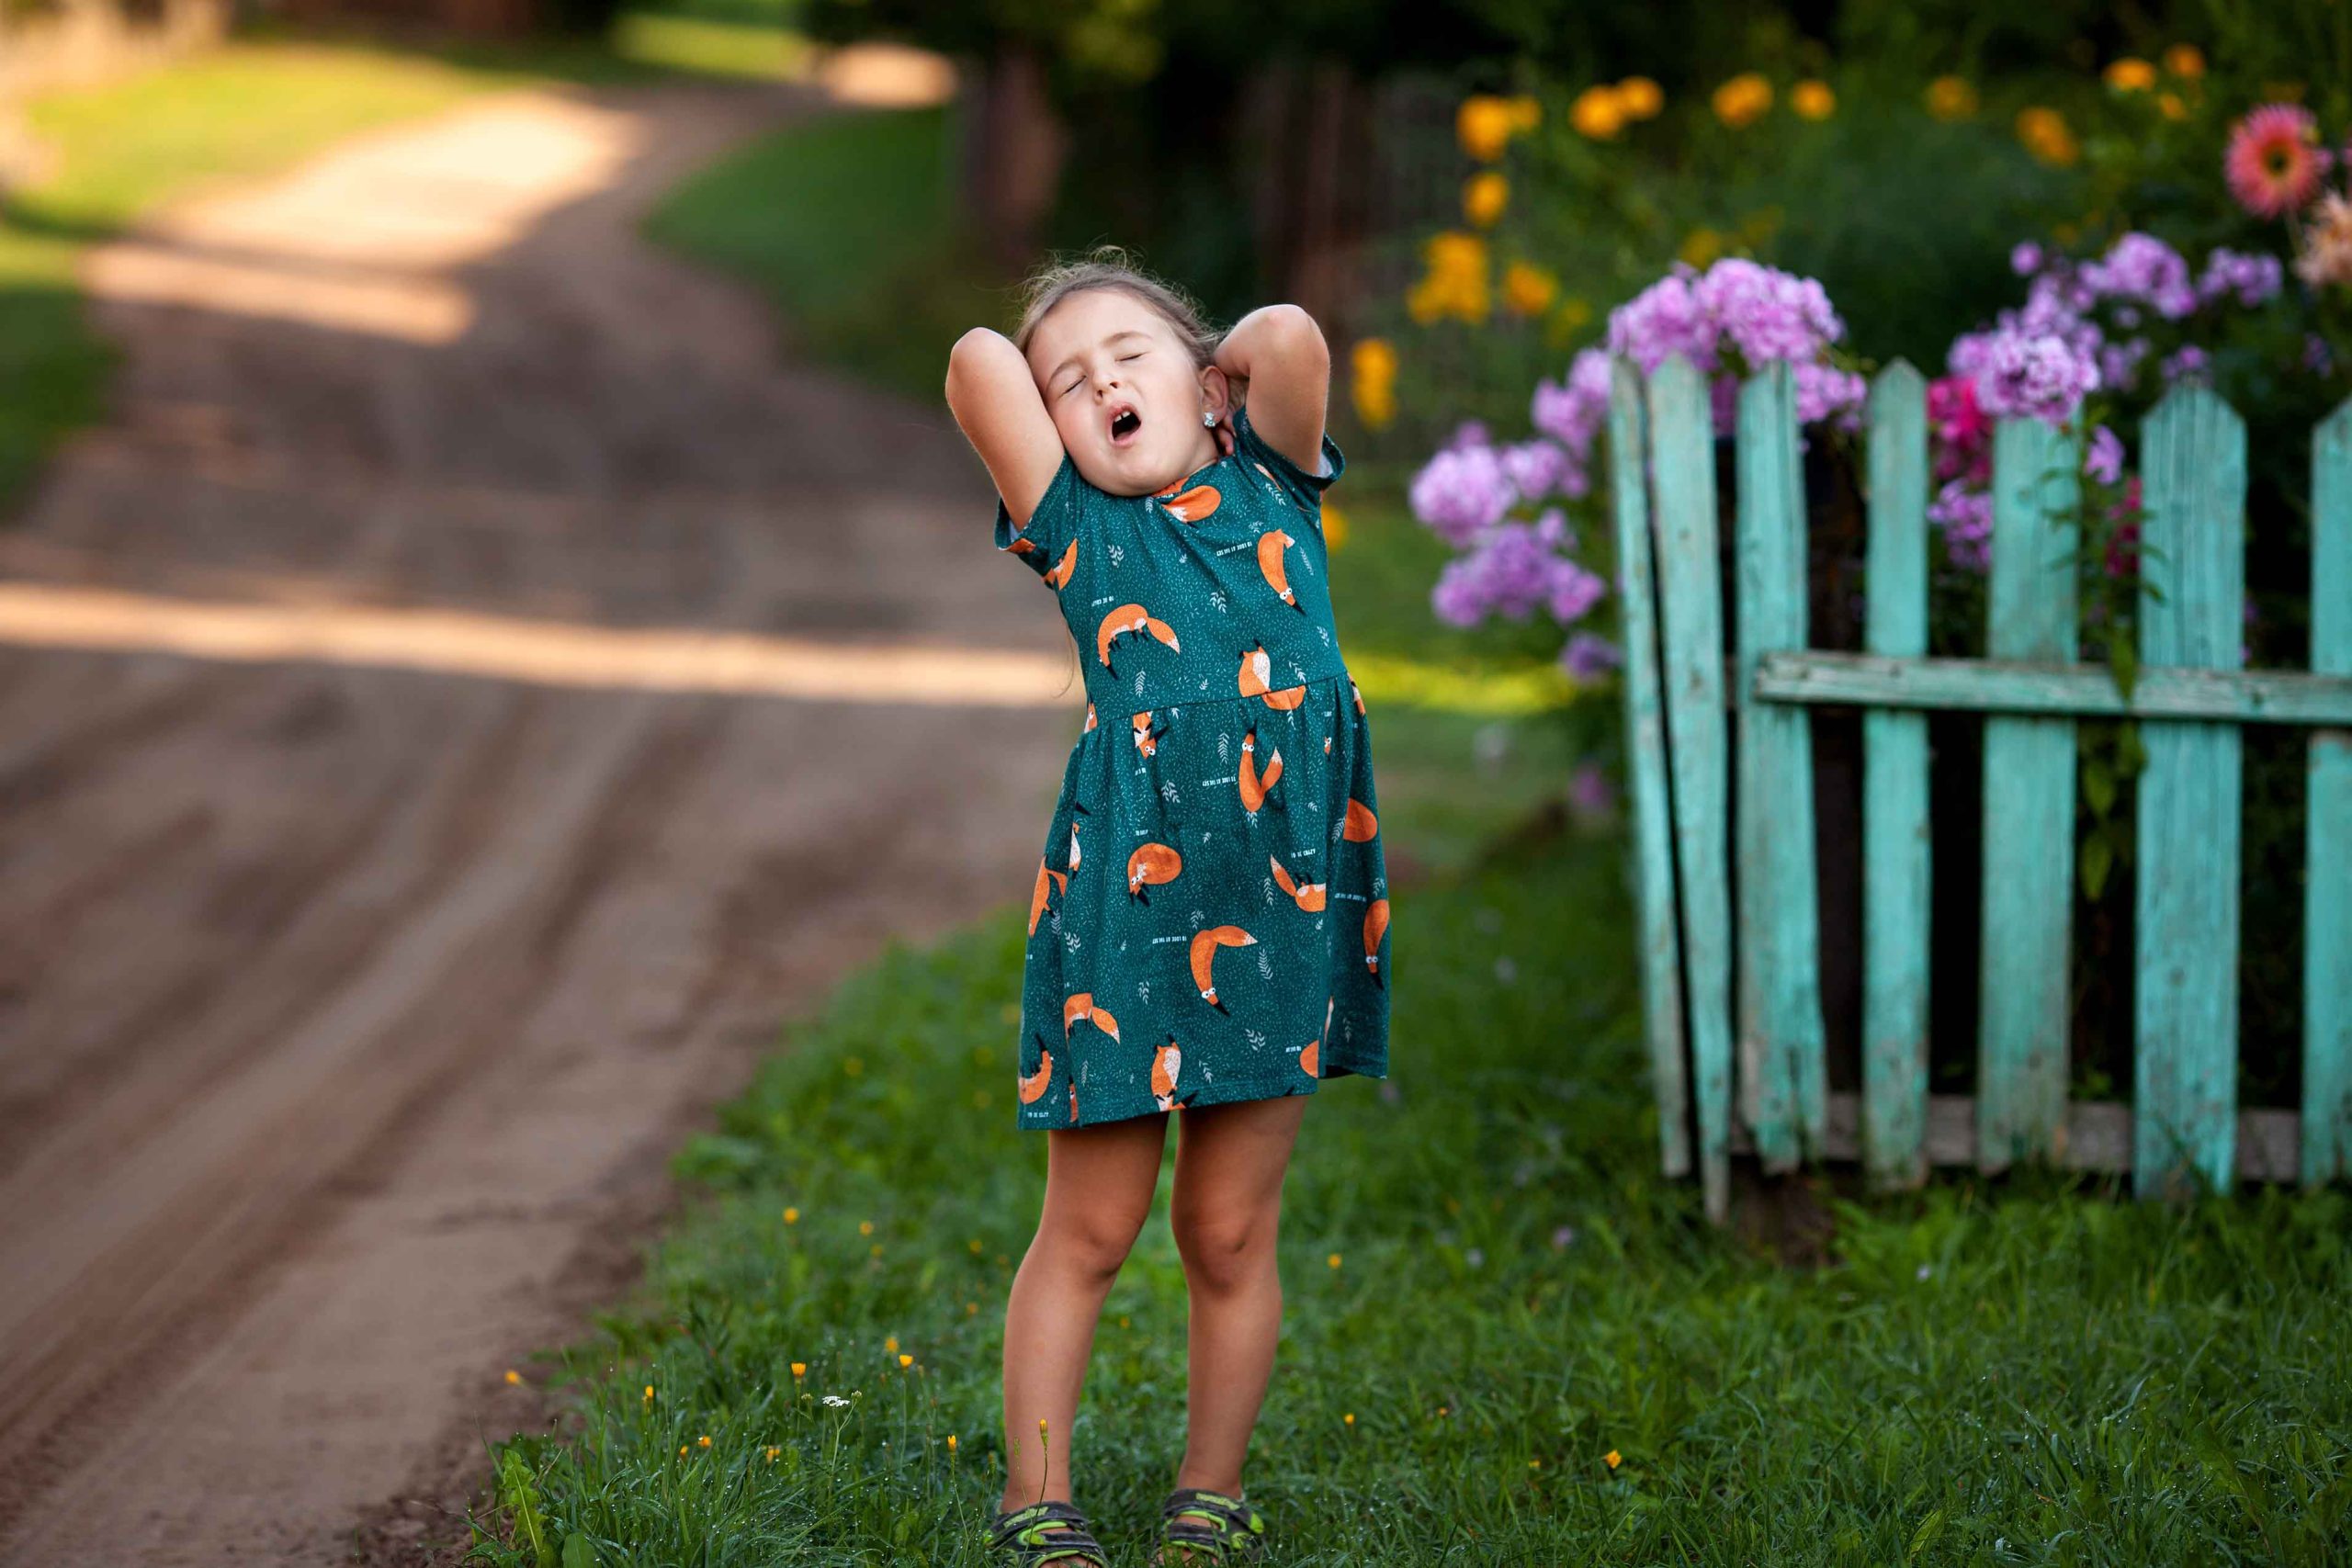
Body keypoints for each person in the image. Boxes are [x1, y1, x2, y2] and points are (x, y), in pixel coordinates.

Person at [944, 246, 1392, 1566]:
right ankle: (1038, 1505)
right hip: (1128, 926)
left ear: (1211, 388)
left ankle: (1211, 1494)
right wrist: (1068, 377)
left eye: (1130, 358)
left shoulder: (1275, 482)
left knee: (1228, 1226)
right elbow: (978, 361)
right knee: (1091, 1226)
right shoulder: (1078, 528)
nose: (1099, 385)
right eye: (1070, 383)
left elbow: (1297, 336)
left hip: (1283, 903)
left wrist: (1211, 372)